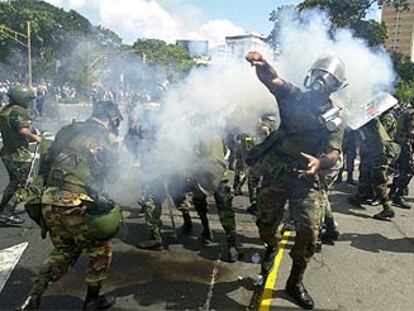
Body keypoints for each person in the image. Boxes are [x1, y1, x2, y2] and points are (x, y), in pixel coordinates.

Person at [246, 51, 346, 310]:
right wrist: (263, 65)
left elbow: (334, 154)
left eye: (328, 79)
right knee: (266, 224)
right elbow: (273, 80)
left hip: (306, 178)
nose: (320, 82)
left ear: (335, 86)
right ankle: (270, 246)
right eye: (319, 75)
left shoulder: (335, 117)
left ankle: (295, 281)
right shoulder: (295, 97)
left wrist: (319, 163)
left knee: (310, 232)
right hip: (277, 171)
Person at [20, 101, 123, 310]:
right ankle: (92, 300)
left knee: (65, 249)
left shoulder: (68, 129)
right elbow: (112, 177)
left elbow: (47, 160)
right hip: (74, 201)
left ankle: (34, 295)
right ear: (112, 118)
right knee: (100, 249)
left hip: (48, 199)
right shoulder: (108, 138)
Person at [0, 85, 40, 225]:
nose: (29, 103)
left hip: (7, 152)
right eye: (28, 99)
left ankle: (3, 209)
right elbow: (23, 130)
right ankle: (6, 213)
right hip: (19, 155)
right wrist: (35, 137)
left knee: (13, 184)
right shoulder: (19, 111)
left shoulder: (6, 110)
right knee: (22, 184)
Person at [348, 118, 400, 220]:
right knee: (365, 174)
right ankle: (359, 197)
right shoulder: (367, 121)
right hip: (372, 153)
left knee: (378, 181)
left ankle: (387, 209)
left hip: (379, 153)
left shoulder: (371, 120)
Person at [389, 106, 414, 209]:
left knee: (400, 170)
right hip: (406, 145)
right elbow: (411, 132)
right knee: (409, 171)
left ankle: (393, 193)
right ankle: (398, 196)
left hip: (401, 144)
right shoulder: (411, 115)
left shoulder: (407, 112)